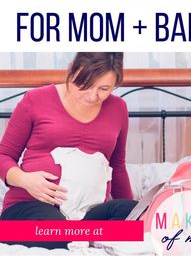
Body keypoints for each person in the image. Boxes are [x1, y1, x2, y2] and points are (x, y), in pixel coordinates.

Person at [0, 52, 137, 249]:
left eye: (104, 89)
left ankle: (79, 238)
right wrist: (25, 180)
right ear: (72, 69)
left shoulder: (118, 108)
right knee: (52, 230)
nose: (92, 96)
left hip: (87, 213)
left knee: (134, 215)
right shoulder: (35, 100)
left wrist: (131, 215)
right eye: (85, 85)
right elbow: (3, 155)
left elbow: (117, 167)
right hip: (31, 206)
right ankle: (92, 238)